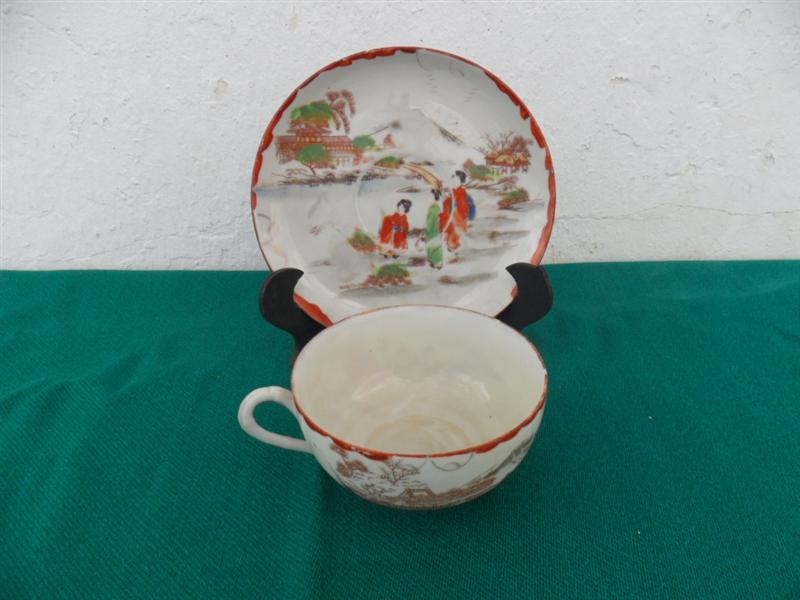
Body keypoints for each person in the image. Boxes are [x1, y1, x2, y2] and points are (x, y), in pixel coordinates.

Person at [426, 189, 444, 269]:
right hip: (435, 231)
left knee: (433, 246)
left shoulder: (434, 208)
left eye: (430, 196)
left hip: (433, 231)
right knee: (435, 246)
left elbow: (430, 222)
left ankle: (436, 262)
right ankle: (436, 262)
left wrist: (426, 230)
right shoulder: (436, 207)